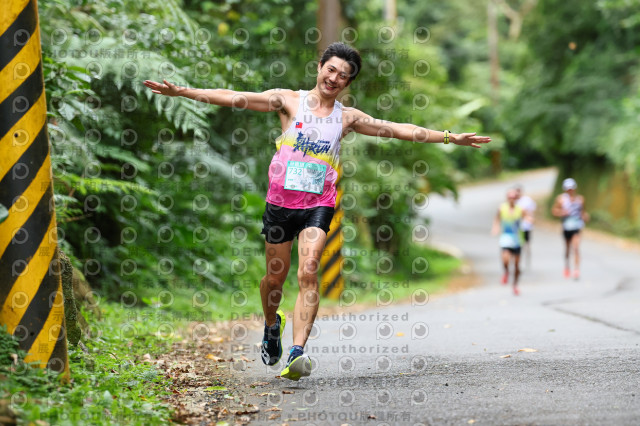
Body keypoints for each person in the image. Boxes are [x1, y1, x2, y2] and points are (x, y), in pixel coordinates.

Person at [143, 42, 491, 381]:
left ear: (348, 83)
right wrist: (183, 93)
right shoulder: (287, 101)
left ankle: (297, 352)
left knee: (309, 271)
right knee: (274, 280)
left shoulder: (347, 118)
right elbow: (235, 97)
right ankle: (271, 325)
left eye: (343, 75)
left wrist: (449, 137)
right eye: (331, 69)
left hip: (318, 205)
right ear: (320, 68)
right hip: (280, 205)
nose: (334, 78)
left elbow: (399, 130)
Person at [492, 188, 529, 295]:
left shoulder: (520, 209)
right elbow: (497, 218)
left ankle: (515, 285)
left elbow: (527, 217)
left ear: (516, 198)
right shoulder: (502, 208)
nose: (512, 199)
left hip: (517, 239)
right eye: (510, 197)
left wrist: (529, 220)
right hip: (506, 237)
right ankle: (506, 272)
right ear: (507, 198)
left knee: (517, 265)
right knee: (505, 259)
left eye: (514, 197)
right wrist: (495, 227)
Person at [551, 178, 589, 280]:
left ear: (574, 188)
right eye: (568, 189)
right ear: (565, 189)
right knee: (567, 248)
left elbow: (582, 212)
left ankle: (576, 270)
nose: (570, 190)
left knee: (576, 247)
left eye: (571, 188)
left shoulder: (580, 199)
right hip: (566, 226)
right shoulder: (561, 199)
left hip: (577, 226)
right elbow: (554, 211)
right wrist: (562, 213)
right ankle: (567, 265)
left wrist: (585, 216)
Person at [515, 185, 536, 270]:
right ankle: (518, 261)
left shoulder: (527, 200)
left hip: (526, 226)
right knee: (519, 244)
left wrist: (530, 220)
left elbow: (531, 211)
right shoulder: (513, 201)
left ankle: (527, 260)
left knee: (527, 244)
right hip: (517, 227)